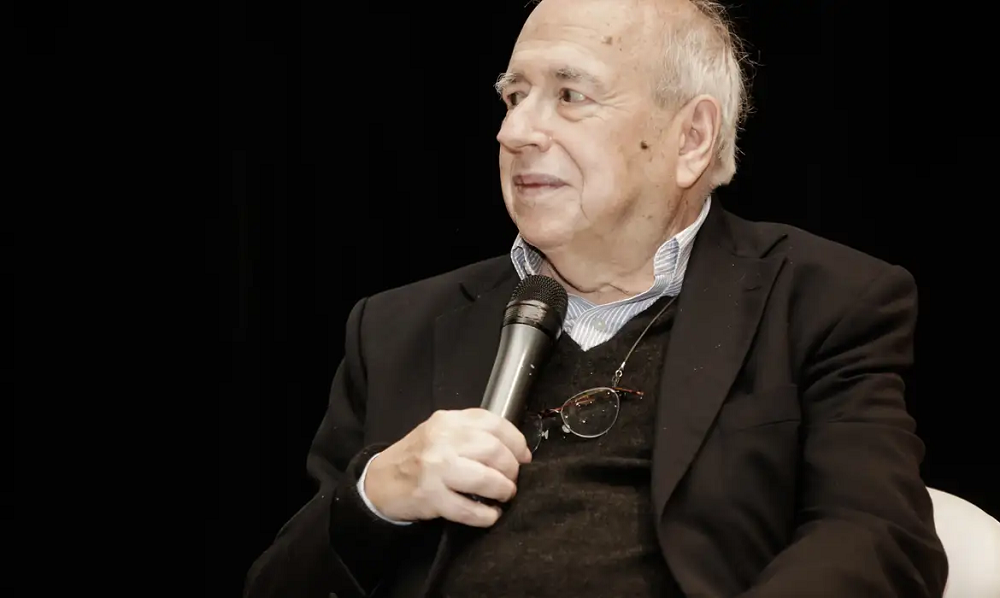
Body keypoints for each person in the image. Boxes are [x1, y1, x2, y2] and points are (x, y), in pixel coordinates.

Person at [244, 0, 948, 596]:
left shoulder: (823, 302)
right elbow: (277, 583)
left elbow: (874, 535)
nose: (514, 131)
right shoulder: (396, 327)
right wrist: (374, 498)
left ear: (691, 138)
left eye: (570, 95)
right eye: (514, 96)